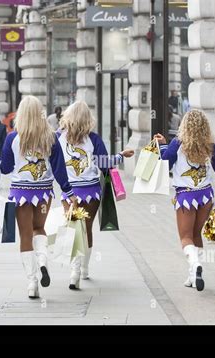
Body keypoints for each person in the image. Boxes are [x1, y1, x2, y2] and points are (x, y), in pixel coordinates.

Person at [0, 96, 77, 299]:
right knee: (39, 228)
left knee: (25, 235)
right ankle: (43, 260)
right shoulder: (50, 137)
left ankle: (32, 283)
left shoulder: (13, 138)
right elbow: (60, 170)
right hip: (43, 192)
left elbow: (6, 168)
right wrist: (69, 193)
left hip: (20, 193)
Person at [56, 101, 134, 289]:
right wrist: (121, 155)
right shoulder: (94, 139)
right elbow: (105, 163)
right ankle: (84, 268)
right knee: (86, 229)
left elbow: (52, 164)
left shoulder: (58, 137)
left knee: (74, 229)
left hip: (69, 192)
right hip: (91, 192)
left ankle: (74, 272)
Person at [154, 110, 215, 292]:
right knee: (196, 234)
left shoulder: (178, 143)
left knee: (185, 237)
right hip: (206, 196)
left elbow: (165, 162)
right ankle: (193, 275)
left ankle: (196, 264)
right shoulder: (211, 146)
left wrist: (162, 146)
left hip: (185, 196)